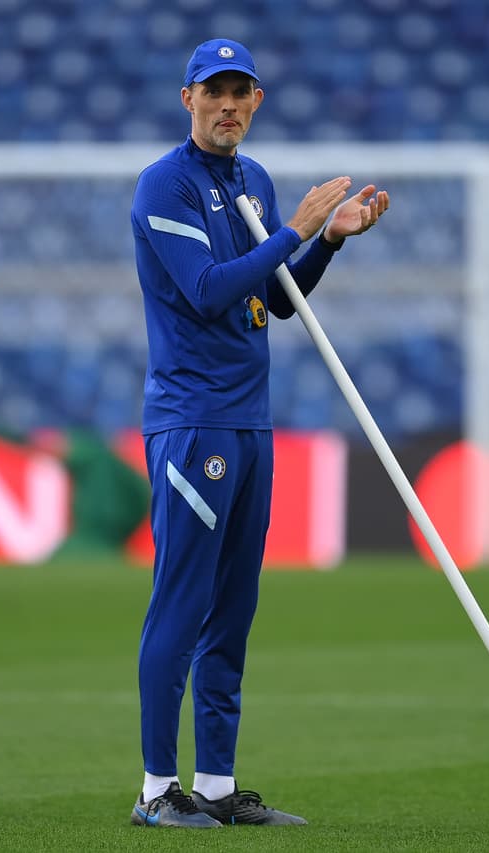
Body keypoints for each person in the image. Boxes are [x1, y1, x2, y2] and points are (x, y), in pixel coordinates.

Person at [128, 37, 388, 829]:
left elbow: (276, 298)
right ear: (188, 99)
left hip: (250, 420)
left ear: (257, 101)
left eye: (241, 93)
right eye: (215, 92)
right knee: (182, 603)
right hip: (193, 420)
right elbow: (208, 292)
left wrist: (329, 240)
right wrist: (295, 230)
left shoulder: (254, 180)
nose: (228, 105)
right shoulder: (163, 185)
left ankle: (214, 785)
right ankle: (154, 791)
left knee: (234, 609)